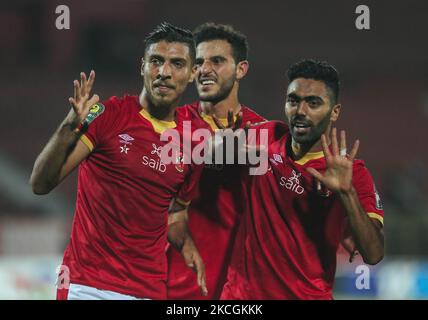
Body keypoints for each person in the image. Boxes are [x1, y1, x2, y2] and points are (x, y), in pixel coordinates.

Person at [30, 22, 207, 300]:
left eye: (177, 64)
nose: (164, 72)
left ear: (193, 72)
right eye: (156, 61)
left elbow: (177, 211)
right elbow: (40, 184)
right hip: (86, 286)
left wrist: (186, 244)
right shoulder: (107, 114)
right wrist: (69, 125)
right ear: (142, 66)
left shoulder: (195, 139)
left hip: (149, 290)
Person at [220, 59, 384, 299]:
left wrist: (347, 195)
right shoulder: (265, 136)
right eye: (293, 100)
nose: (300, 111)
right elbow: (205, 156)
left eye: (313, 103)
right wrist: (224, 145)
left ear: (334, 111)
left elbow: (374, 254)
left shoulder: (353, 172)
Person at [167, 23, 265, 299]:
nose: (204, 69)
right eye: (198, 63)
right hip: (175, 287)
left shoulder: (262, 134)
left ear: (241, 69)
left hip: (240, 292)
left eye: (217, 61)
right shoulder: (171, 126)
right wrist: (213, 150)